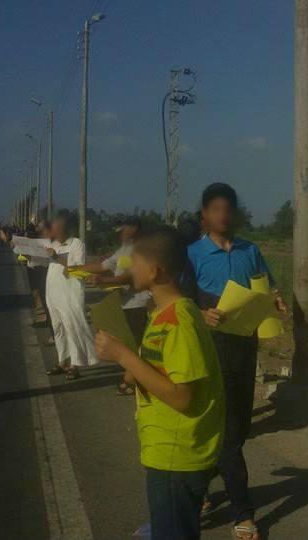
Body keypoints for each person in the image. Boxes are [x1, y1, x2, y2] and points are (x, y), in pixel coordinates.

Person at [94, 225, 225, 540]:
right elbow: (158, 367)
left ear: (154, 271)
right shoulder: (161, 314)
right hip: (166, 450)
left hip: (176, 455)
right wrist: (130, 367)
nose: (129, 269)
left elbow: (182, 397)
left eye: (134, 262)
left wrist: (124, 356)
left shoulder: (179, 321)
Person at [187, 183, 284, 540]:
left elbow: (265, 287)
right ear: (205, 215)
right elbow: (178, 302)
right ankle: (243, 512)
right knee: (228, 434)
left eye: (228, 209)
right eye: (215, 209)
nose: (223, 215)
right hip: (211, 347)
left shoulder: (250, 250)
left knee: (240, 428)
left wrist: (275, 300)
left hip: (246, 345)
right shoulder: (192, 253)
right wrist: (201, 313)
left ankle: (196, 490)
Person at [69, 217, 151, 394]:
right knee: (132, 344)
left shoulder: (142, 249)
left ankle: (136, 381)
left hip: (140, 304)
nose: (121, 233)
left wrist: (104, 280)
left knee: (139, 345)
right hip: (125, 303)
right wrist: (76, 269)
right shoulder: (123, 250)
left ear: (135, 231)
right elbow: (102, 265)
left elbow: (130, 276)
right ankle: (134, 379)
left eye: (125, 230)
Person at [44, 212, 98, 379]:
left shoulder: (76, 244)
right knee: (58, 328)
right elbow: (39, 262)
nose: (53, 229)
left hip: (70, 294)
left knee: (72, 327)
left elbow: (78, 268)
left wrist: (57, 257)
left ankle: (75, 365)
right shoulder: (52, 244)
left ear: (65, 228)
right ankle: (62, 361)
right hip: (52, 293)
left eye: (57, 226)